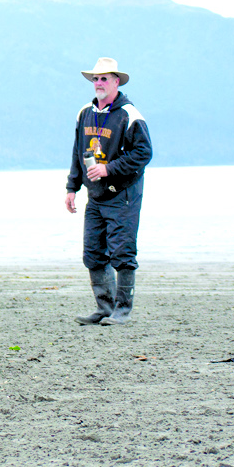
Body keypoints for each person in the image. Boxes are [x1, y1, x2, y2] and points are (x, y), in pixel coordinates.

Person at [66, 57, 152, 325]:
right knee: (92, 253)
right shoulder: (85, 113)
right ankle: (104, 308)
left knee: (122, 254)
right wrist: (72, 187)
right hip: (96, 196)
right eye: (96, 79)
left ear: (117, 81)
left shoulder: (130, 115)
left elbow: (143, 153)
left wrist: (109, 169)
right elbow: (78, 152)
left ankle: (122, 310)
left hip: (123, 194)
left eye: (104, 78)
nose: (99, 83)